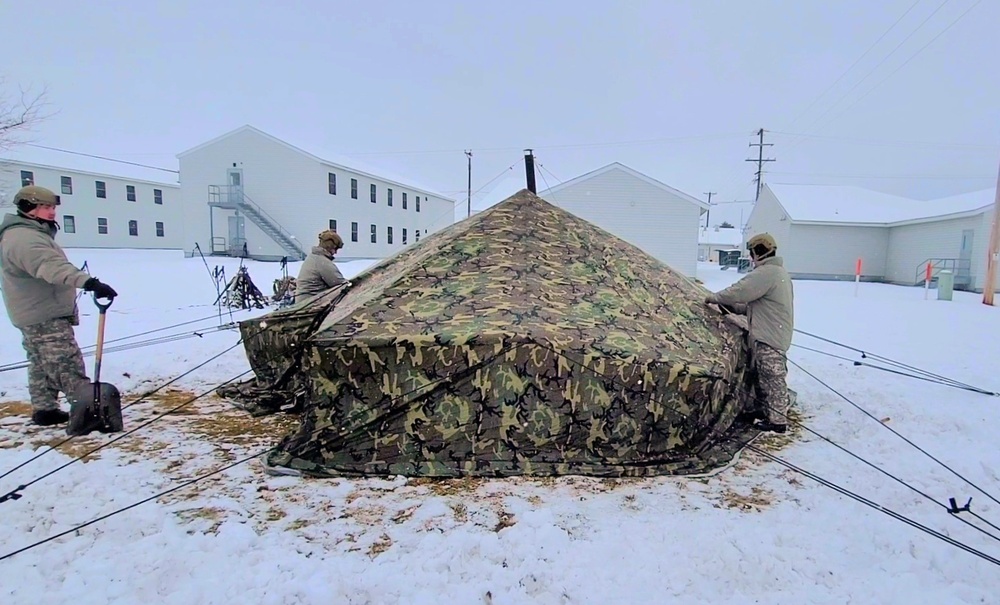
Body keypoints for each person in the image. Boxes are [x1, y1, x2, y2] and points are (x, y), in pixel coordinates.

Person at [0, 185, 118, 426]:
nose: (51, 212)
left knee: (41, 362)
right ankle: (89, 414)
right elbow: (51, 267)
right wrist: (89, 282)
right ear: (28, 208)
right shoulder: (25, 239)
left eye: (52, 207)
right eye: (44, 207)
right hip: (43, 313)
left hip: (31, 311)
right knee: (65, 361)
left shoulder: (25, 234)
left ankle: (45, 409)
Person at [705, 232, 794, 433]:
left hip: (770, 335)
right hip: (773, 331)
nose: (751, 257)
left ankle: (778, 421)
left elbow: (740, 290)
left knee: (772, 376)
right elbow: (756, 304)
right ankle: (767, 410)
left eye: (752, 252)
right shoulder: (778, 274)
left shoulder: (767, 273)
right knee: (763, 375)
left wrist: (713, 298)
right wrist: (735, 309)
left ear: (758, 252)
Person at [295, 229, 346, 298]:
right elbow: (340, 283)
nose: (335, 252)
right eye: (335, 249)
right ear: (329, 247)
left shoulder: (314, 257)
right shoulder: (322, 261)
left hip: (307, 300)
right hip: (311, 303)